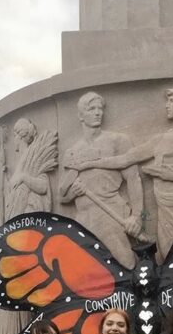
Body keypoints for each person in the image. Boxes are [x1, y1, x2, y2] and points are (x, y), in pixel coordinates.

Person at [66, 84, 173, 261]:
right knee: (168, 254)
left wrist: (171, 175)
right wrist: (87, 164)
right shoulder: (162, 138)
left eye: (172, 100)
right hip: (164, 209)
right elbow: (126, 159)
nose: (167, 105)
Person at [59, 91, 144, 269]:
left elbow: (133, 179)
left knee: (124, 264)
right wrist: (72, 194)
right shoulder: (74, 151)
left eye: (100, 108)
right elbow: (62, 196)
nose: (98, 113)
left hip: (110, 214)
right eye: (91, 109)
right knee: (86, 269)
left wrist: (136, 217)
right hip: (83, 219)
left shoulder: (118, 141)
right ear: (81, 116)